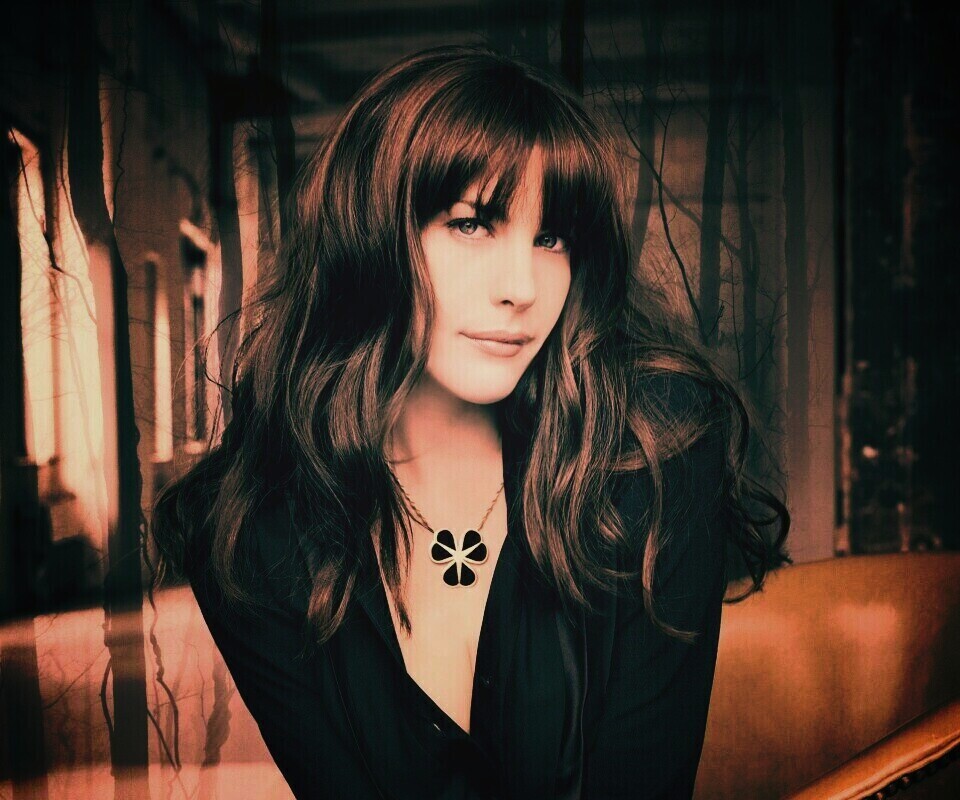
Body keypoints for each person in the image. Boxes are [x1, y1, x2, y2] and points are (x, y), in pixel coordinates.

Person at [152, 44, 790, 799]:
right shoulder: (246, 528)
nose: (521, 287)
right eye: (472, 224)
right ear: (369, 232)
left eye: (551, 238)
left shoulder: (655, 455)